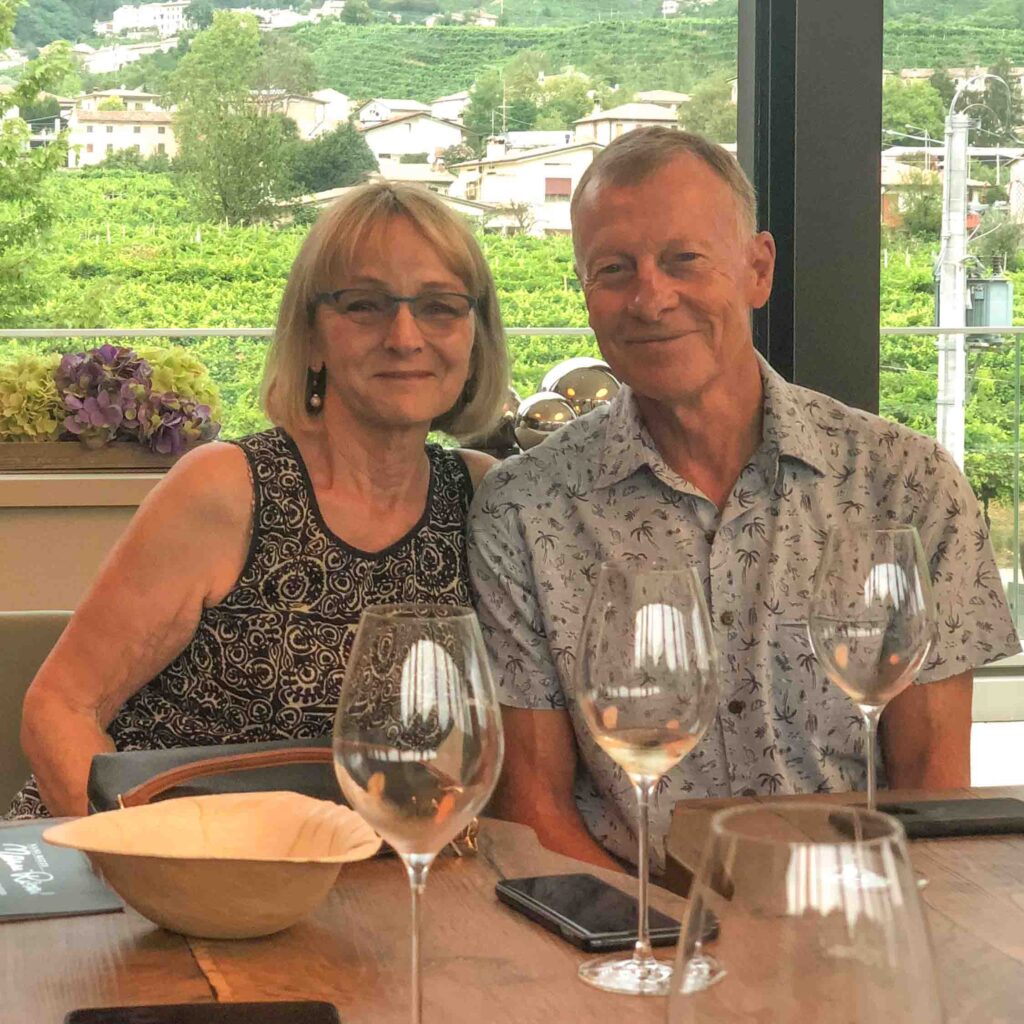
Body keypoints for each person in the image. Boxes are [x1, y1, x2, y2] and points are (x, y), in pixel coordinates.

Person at [467, 127, 1020, 872]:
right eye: (614, 269)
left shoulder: (907, 485)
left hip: (850, 926)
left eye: (683, 260)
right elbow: (533, 812)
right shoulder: (522, 510)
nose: (650, 297)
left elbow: (932, 790)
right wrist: (670, 940)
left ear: (756, 269)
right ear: (586, 294)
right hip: (630, 946)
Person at [10, 181, 508, 819]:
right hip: (146, 867)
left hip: (361, 884)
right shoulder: (228, 488)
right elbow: (58, 711)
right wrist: (153, 871)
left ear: (475, 334)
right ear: (313, 334)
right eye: (364, 305)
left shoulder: (483, 498)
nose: (405, 336)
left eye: (440, 306)